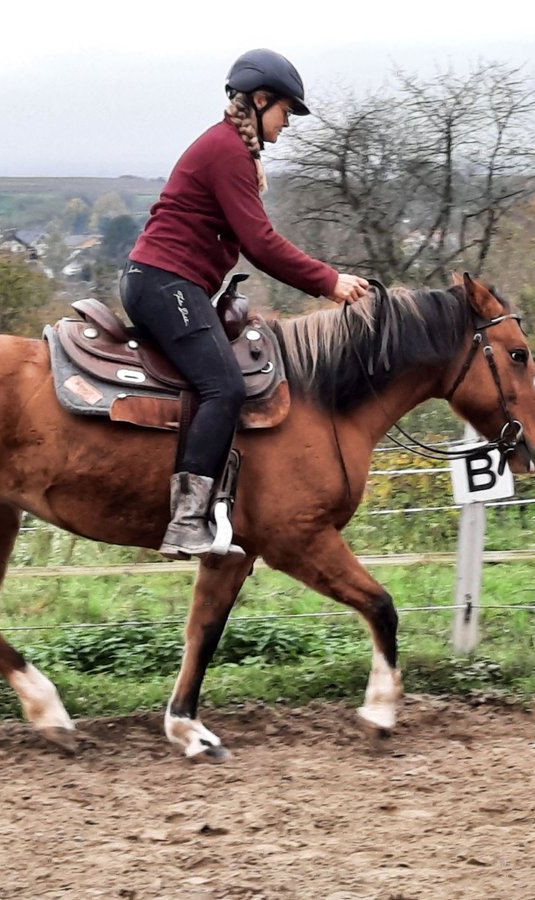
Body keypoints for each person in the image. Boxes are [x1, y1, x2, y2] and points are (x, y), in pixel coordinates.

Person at [121, 47, 370, 559]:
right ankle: (187, 520)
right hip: (166, 284)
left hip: (171, 283)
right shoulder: (227, 152)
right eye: (285, 111)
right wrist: (329, 281)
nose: (288, 122)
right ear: (259, 101)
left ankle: (218, 506)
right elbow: (260, 243)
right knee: (224, 386)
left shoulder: (236, 151)